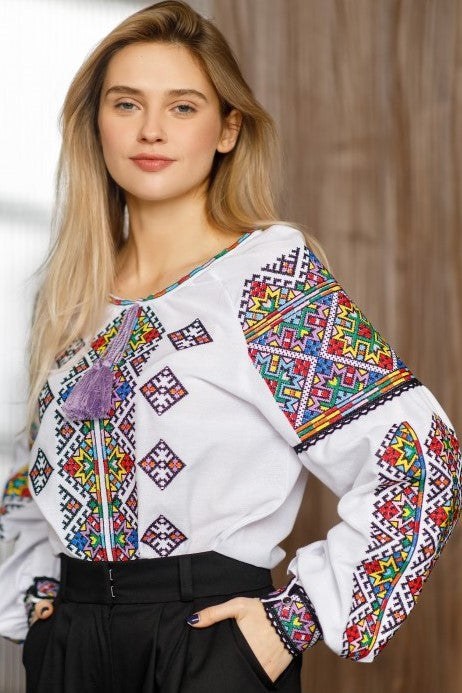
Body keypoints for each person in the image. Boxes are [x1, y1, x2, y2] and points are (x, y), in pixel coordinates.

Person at [0, 1, 460, 692]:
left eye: (183, 107)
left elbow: (421, 457)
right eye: (127, 104)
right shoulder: (70, 289)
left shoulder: (265, 281)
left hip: (206, 641)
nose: (151, 130)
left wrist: (290, 622)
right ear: (95, 122)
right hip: (72, 641)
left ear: (227, 128)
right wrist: (39, 599)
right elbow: (34, 468)